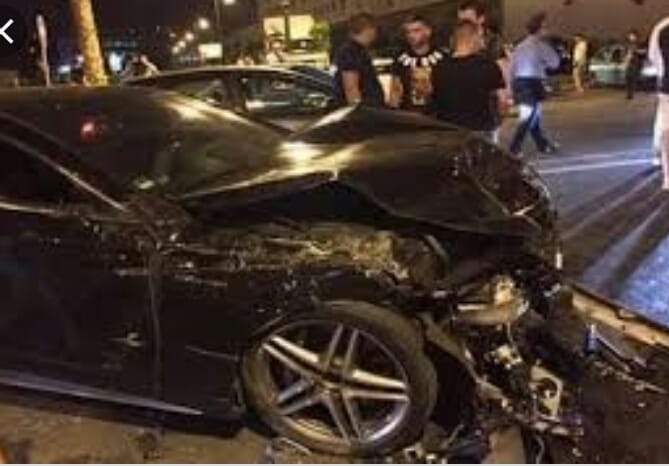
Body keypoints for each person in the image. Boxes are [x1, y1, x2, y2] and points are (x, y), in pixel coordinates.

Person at [432, 20, 507, 139]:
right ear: (474, 38)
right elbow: (502, 102)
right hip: (481, 132)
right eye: (481, 37)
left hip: (448, 132)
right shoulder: (487, 66)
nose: (483, 41)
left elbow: (434, 100)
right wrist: (497, 123)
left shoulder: (439, 68)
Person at [508, 12, 561, 156]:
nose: (547, 30)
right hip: (531, 83)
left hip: (519, 82)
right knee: (528, 116)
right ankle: (514, 148)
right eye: (545, 27)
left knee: (534, 116)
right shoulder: (540, 45)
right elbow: (555, 63)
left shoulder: (520, 46)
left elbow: (512, 67)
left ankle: (542, 145)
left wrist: (510, 87)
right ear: (539, 29)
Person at [388, 15, 445, 113]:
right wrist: (393, 113)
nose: (411, 35)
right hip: (409, 114)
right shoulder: (400, 59)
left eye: (416, 30)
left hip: (438, 113)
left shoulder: (442, 57)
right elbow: (395, 90)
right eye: (408, 32)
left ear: (428, 31)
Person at [332, 13, 384, 107]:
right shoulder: (351, 52)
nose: (376, 33)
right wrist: (358, 111)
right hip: (365, 111)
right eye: (375, 29)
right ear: (369, 29)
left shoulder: (357, 50)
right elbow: (351, 88)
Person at [649, 15, 669, 190]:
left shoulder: (662, 26)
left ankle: (668, 176)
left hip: (667, 86)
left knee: (666, 129)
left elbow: (653, 57)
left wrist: (662, 74)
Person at [624, 30, 643, 100]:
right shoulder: (628, 44)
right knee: (628, 78)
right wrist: (625, 61)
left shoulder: (637, 44)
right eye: (630, 36)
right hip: (629, 63)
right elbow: (626, 53)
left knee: (632, 79)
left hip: (634, 63)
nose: (631, 37)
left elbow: (641, 52)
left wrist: (636, 51)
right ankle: (629, 93)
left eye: (632, 36)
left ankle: (631, 94)